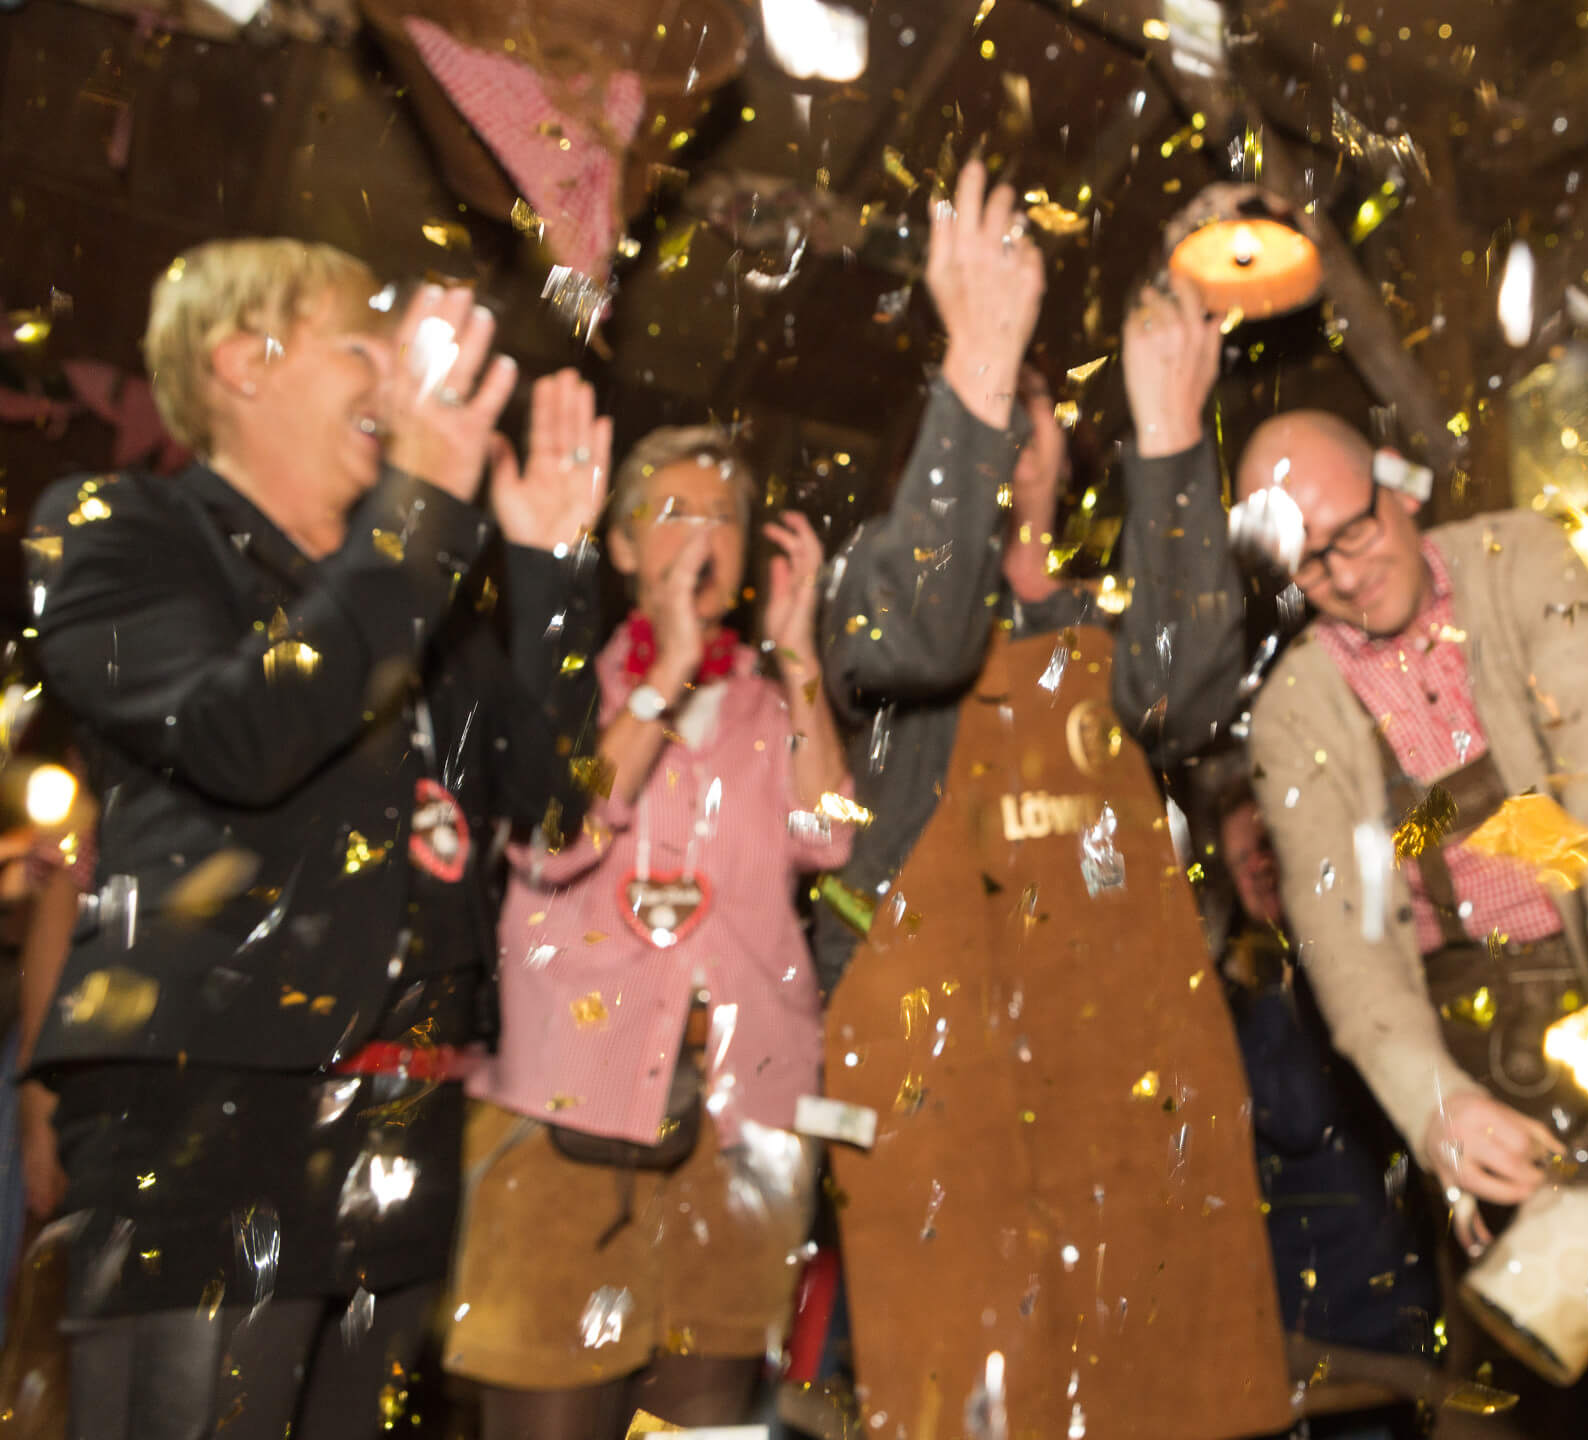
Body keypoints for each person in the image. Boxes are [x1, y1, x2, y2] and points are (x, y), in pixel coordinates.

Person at [21, 237, 605, 1439]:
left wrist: (552, 567)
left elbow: (553, 802)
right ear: (242, 360)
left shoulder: (420, 599)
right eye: (365, 349)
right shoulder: (123, 529)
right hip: (205, 1134)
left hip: (398, 1153)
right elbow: (243, 730)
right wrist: (422, 516)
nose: (397, 384)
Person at [808, 161, 1291, 1439]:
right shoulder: (868, 576)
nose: (1014, 434)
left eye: (1031, 404)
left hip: (1129, 1088)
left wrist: (1176, 436)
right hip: (940, 1079)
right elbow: (916, 639)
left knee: (1165, 1394)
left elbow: (1190, 699)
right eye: (980, 413)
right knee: (969, 1403)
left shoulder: (1100, 621)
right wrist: (978, 353)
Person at [1234, 412, 1588, 1436]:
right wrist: (1432, 1105)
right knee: (1521, 1379)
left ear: (1400, 489)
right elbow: (1344, 946)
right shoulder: (1293, 712)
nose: (1347, 575)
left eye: (1355, 532)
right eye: (1308, 563)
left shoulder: (1520, 556)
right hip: (1464, 1041)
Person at [443, 425, 851, 1438]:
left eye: (725, 514)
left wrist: (799, 653)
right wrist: (666, 671)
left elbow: (827, 838)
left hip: (741, 1123)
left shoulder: (772, 704)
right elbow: (551, 841)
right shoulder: (562, 689)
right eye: (673, 511)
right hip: (562, 1118)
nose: (704, 533)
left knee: (703, 1424)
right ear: (619, 548)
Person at [1210, 781, 1440, 1439]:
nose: (1257, 866)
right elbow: (1296, 1113)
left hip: (1402, 1311)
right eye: (1238, 860)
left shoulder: (1371, 954)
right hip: (1333, 1329)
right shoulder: (1251, 991)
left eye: (1266, 845)